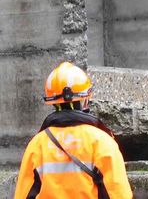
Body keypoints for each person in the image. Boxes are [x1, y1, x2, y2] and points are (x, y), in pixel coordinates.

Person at [14, 61, 133, 199]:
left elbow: (23, 195)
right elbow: (119, 194)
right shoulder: (102, 141)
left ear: (52, 101)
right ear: (85, 99)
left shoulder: (37, 144)